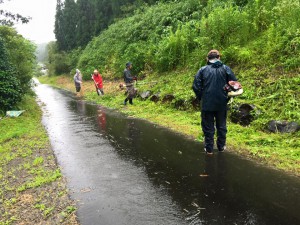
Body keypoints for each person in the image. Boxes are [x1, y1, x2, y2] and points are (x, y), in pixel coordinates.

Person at [192, 50, 237, 155]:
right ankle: (221, 147)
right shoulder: (226, 68)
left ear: (208, 58)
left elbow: (196, 87)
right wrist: (227, 92)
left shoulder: (202, 70)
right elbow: (234, 85)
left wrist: (201, 97)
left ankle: (209, 150)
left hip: (207, 104)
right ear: (219, 58)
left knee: (208, 127)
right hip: (221, 103)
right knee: (221, 126)